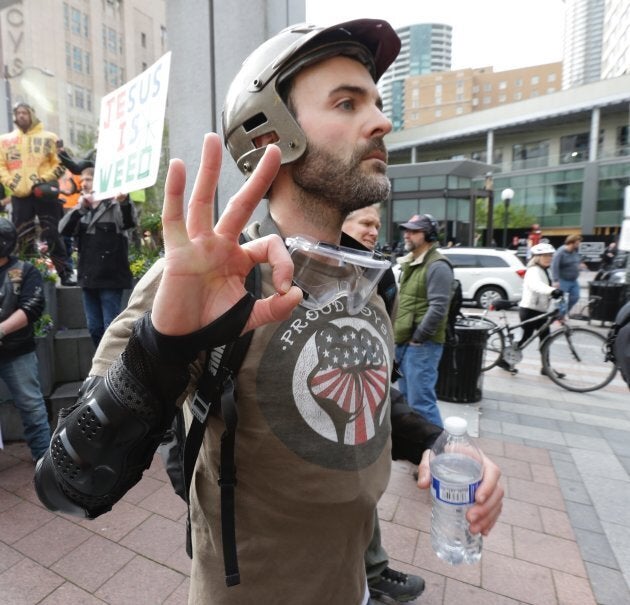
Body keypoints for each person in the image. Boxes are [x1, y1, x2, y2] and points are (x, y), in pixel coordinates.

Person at [36, 20, 503, 605]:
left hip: (349, 584)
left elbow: (375, 399)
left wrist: (437, 442)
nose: (382, 121)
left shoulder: (360, 278)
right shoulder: (208, 281)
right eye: (346, 102)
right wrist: (164, 345)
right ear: (270, 135)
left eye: (377, 103)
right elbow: (66, 485)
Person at [343, 205, 426, 603]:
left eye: (378, 224)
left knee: (363, 488)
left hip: (365, 398)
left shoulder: (380, 272)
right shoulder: (309, 266)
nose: (374, 230)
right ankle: (368, 573)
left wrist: (431, 441)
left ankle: (372, 573)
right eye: (365, 222)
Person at [58, 166, 137, 347]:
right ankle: (103, 365)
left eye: (89, 179)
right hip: (88, 277)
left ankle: (113, 368)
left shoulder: (115, 204)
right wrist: (80, 208)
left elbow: (129, 222)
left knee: (111, 327)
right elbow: (64, 230)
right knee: (94, 328)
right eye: (83, 180)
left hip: (111, 277)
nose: (84, 184)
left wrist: (124, 202)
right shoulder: (82, 208)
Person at [0, 103, 75, 285]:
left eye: (25, 112)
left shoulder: (49, 138)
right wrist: (11, 182)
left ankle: (65, 273)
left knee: (52, 233)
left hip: (43, 193)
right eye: (18, 113)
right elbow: (1, 166)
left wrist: (43, 179)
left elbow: (60, 163)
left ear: (32, 114)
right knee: (22, 235)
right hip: (19, 193)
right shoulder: (4, 140)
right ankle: (24, 275)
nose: (21, 116)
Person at [393, 214, 453, 429]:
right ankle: (419, 447)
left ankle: (437, 450)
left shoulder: (438, 265)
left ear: (429, 235)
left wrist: (418, 338)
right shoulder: (411, 262)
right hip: (405, 341)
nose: (407, 235)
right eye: (406, 230)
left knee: (422, 403)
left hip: (422, 345)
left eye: (414, 231)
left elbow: (438, 308)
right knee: (408, 399)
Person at [0, 217, 51, 462]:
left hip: (17, 351)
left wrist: (1, 330)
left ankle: (45, 460)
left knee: (31, 407)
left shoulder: (24, 270)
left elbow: (33, 306)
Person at [500, 242, 564, 376]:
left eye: (550, 256)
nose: (549, 258)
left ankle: (545, 367)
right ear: (537, 257)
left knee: (545, 338)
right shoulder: (533, 270)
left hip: (540, 310)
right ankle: (503, 360)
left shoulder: (545, 270)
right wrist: (552, 291)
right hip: (530, 310)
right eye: (545, 256)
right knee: (526, 337)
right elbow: (536, 285)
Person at [551, 234, 586, 319]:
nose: (578, 245)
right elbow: (554, 266)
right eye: (577, 243)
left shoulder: (574, 252)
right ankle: (560, 317)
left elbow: (577, 261)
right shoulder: (560, 252)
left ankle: (563, 313)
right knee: (561, 300)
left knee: (575, 297)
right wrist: (555, 280)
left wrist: (580, 265)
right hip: (563, 279)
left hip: (573, 280)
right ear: (571, 243)